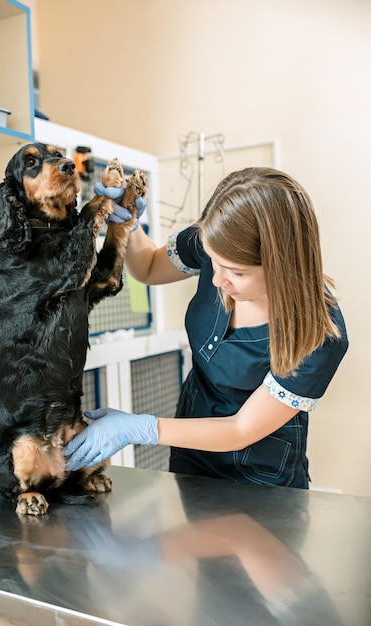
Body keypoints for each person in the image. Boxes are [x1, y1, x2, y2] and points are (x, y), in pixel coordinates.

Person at [65, 167, 348, 488]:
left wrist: (139, 428)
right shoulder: (217, 240)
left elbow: (241, 429)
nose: (216, 280)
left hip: (261, 472)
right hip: (190, 449)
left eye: (236, 273)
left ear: (279, 263)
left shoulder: (319, 334)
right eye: (213, 261)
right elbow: (147, 268)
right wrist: (129, 224)